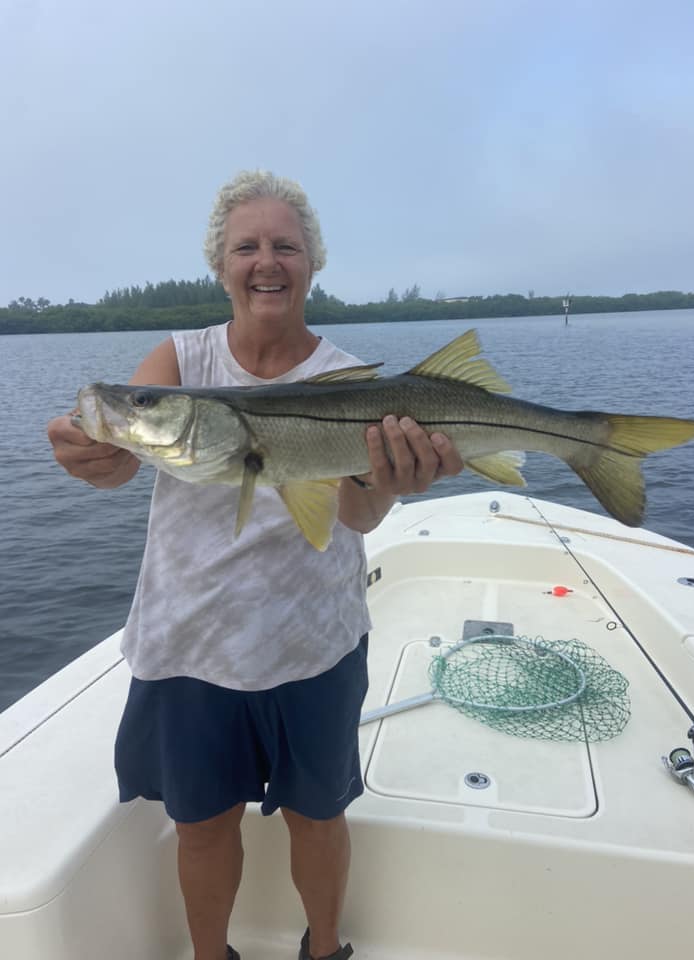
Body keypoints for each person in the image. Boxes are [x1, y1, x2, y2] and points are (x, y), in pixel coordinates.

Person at [47, 170, 463, 960]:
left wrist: (388, 486)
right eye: (247, 246)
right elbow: (129, 441)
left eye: (285, 245)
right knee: (200, 825)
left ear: (312, 264)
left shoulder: (352, 384)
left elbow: (355, 514)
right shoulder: (180, 359)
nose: (266, 260)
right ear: (220, 265)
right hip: (190, 646)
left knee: (320, 814)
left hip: (312, 644)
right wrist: (98, 450)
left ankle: (324, 949)